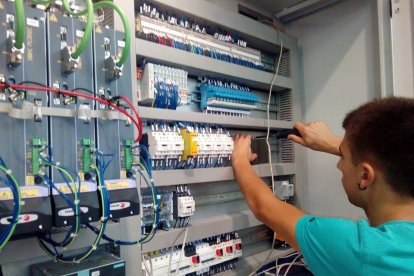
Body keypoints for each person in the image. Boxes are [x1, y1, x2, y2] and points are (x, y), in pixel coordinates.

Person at [231, 97, 414, 275]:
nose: (339, 165)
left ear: (365, 176)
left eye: (342, 156)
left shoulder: (361, 250)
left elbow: (263, 206)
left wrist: (239, 159)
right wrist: (338, 145)